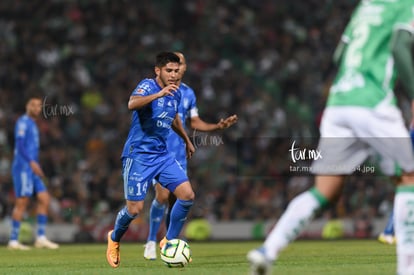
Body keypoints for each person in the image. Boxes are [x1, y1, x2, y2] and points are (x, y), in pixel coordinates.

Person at [247, 1, 414, 274]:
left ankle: (268, 250)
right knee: (409, 177)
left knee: (325, 190)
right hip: (372, 101)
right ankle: (408, 269)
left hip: (338, 103)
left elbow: (340, 55)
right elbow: (400, 45)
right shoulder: (405, 4)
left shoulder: (365, 7)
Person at [143, 52, 238, 260]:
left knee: (178, 198)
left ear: (184, 68)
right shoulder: (155, 88)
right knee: (162, 195)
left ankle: (169, 242)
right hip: (159, 150)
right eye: (173, 65)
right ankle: (151, 240)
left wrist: (216, 126)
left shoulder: (188, 93)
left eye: (181, 64)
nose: (177, 68)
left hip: (179, 152)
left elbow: (194, 122)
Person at [106, 51, 196, 268]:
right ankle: (114, 238)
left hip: (162, 155)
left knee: (187, 195)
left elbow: (174, 118)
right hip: (138, 156)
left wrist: (186, 140)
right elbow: (132, 103)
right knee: (134, 210)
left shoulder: (176, 93)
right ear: (158, 71)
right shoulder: (148, 86)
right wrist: (159, 94)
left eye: (176, 71)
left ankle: (170, 241)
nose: (173, 75)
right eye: (169, 71)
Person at [8, 95, 59, 250]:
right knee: (22, 201)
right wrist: (31, 162)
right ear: (27, 107)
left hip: (32, 168)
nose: (37, 108)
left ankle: (41, 237)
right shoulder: (23, 122)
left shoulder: (33, 124)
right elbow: (20, 145)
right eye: (33, 105)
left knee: (44, 198)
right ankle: (13, 240)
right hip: (23, 167)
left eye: (39, 106)